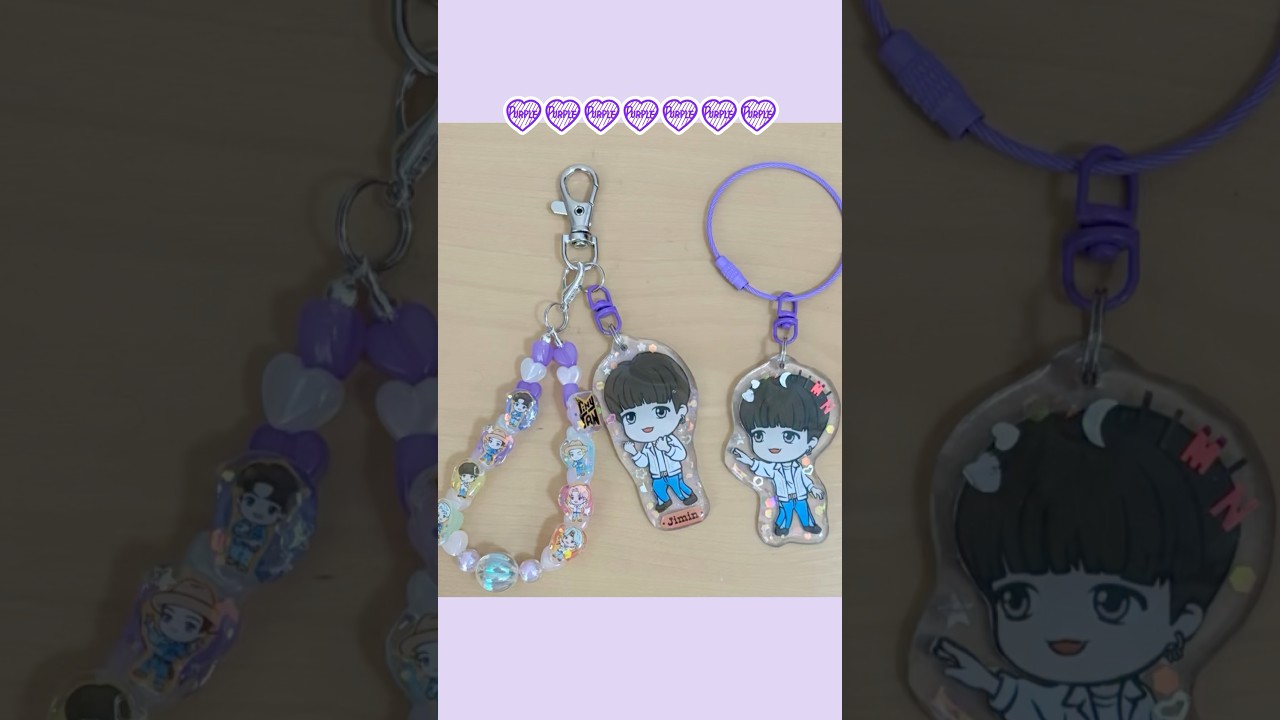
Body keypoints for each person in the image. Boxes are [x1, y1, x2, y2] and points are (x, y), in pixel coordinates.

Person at [935, 397, 1244, 720]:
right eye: (1018, 599)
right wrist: (987, 683)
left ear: (1183, 622)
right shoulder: (1061, 701)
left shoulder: (1144, 707)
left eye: (1112, 603)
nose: (1063, 626)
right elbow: (1032, 702)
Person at [729, 372, 831, 536]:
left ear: (811, 443)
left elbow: (804, 478)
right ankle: (781, 527)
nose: (773, 446)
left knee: (804, 510)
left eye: (789, 436)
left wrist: (812, 487)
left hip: (800, 495)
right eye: (759, 435)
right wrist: (747, 460)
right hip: (784, 497)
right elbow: (761, 466)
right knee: (785, 513)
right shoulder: (774, 468)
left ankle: (809, 525)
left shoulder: (798, 467)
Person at [601, 352, 697, 512]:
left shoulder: (670, 440)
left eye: (660, 411)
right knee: (658, 489)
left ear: (681, 411)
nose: (646, 424)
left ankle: (688, 496)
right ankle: (663, 502)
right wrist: (634, 452)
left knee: (679, 487)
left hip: (674, 472)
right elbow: (643, 462)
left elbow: (681, 455)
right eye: (631, 417)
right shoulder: (647, 446)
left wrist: (667, 448)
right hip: (657, 476)